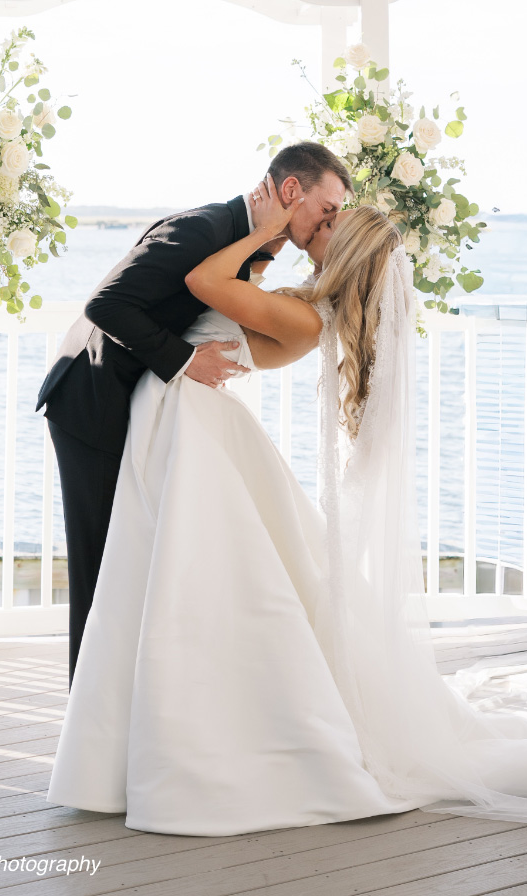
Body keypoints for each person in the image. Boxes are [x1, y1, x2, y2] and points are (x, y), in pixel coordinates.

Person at [45, 183, 527, 836]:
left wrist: (260, 230)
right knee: (167, 588)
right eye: (323, 213)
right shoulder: (299, 305)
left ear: (342, 252)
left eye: (327, 225)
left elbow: (203, 279)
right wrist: (269, 245)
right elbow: (213, 293)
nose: (313, 227)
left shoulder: (303, 320)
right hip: (183, 421)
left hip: (194, 426)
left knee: (184, 591)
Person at [35, 141, 352, 685]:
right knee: (98, 571)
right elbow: (105, 305)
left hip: (138, 413)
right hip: (92, 404)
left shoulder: (247, 247)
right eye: (328, 209)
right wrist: (185, 361)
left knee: (130, 572)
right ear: (292, 191)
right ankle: (84, 728)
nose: (333, 220)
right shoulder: (204, 230)